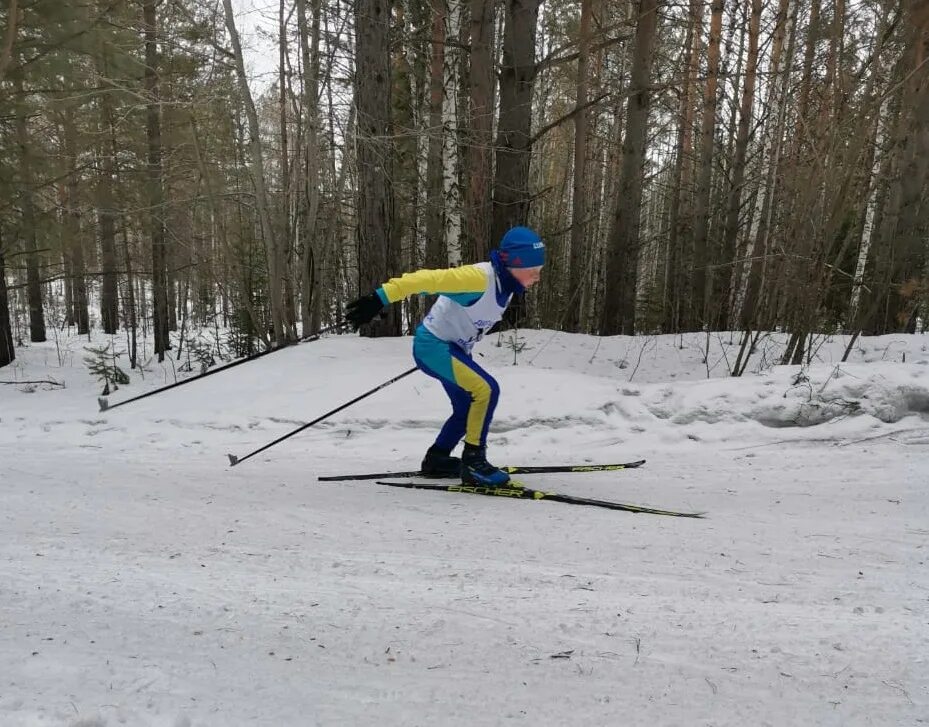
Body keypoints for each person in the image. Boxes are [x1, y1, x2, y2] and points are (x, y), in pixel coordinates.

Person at [345, 226, 545, 487]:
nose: (537, 277)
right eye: (533, 271)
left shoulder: (505, 285)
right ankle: (474, 462)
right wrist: (379, 298)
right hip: (433, 346)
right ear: (514, 264)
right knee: (485, 390)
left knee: (467, 406)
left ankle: (437, 459)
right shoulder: (477, 278)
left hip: (453, 349)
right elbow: (427, 279)